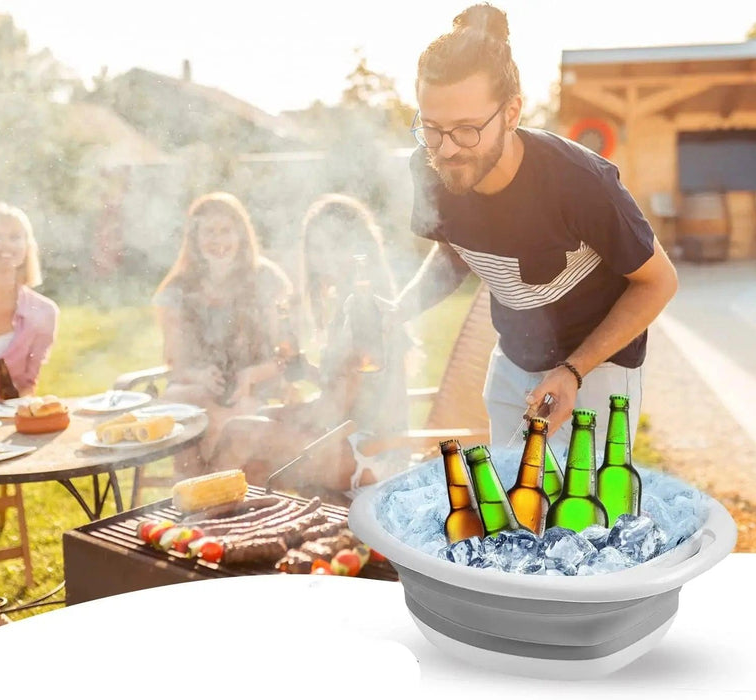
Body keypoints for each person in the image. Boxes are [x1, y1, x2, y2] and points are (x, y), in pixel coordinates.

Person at [394, 4, 678, 457]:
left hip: (597, 366)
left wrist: (573, 370)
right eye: (432, 128)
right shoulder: (430, 169)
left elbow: (658, 282)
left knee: (590, 518)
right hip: (513, 359)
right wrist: (395, 311)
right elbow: (454, 252)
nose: (447, 150)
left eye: (467, 130)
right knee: (516, 510)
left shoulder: (581, 182)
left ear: (511, 112)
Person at [210, 193, 411, 499]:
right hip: (353, 439)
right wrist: (305, 373)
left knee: (238, 434)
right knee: (255, 467)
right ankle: (238, 536)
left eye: (335, 245)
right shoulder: (349, 304)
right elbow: (351, 391)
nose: (323, 257)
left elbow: (335, 409)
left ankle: (197, 528)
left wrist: (287, 416)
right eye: (316, 248)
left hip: (373, 453)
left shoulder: (365, 312)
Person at [154, 191, 293, 476]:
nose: (218, 241)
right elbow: (175, 362)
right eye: (209, 232)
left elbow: (286, 355)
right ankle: (197, 500)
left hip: (256, 389)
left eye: (226, 231)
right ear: (195, 239)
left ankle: (206, 501)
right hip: (198, 389)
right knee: (183, 407)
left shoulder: (266, 280)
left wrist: (250, 376)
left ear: (241, 235)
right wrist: (199, 375)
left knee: (223, 418)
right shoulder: (178, 288)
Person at [0, 202, 59, 401]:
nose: (6, 245)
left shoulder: (44, 313)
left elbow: (27, 385)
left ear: (27, 247)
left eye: (15, 237)